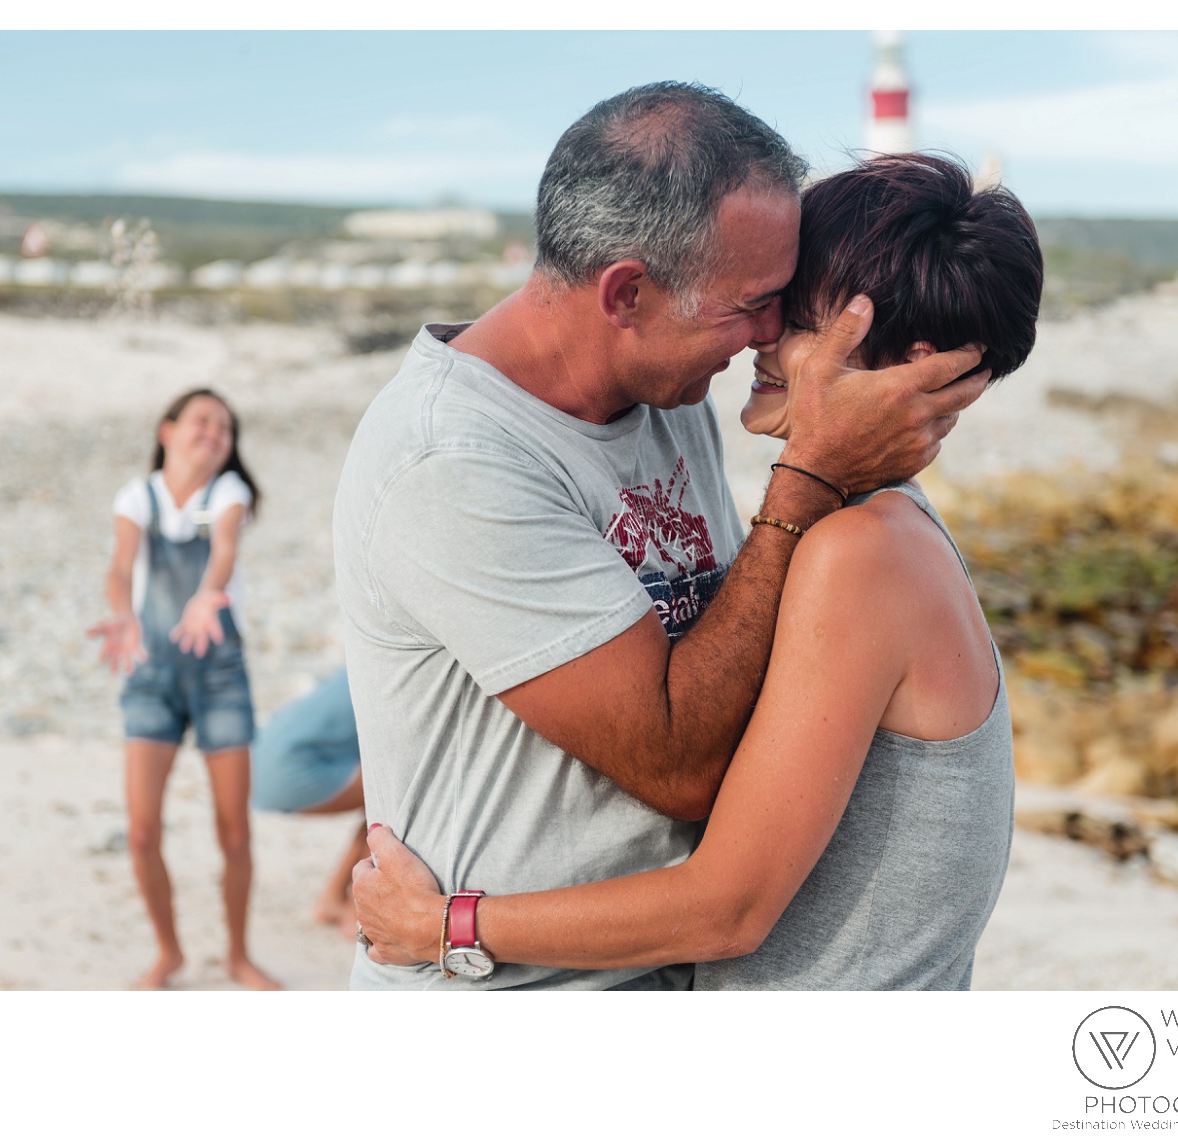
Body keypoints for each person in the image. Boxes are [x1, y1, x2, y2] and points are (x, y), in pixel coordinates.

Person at [333, 83, 990, 990]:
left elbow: (737, 654)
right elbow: (678, 761)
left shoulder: (663, 396)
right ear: (627, 293)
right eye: (754, 303)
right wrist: (808, 479)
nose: (766, 335)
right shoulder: (452, 458)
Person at [86, 388, 280, 990]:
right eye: (202, 420)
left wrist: (204, 595)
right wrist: (123, 613)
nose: (214, 432)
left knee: (235, 831)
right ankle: (167, 952)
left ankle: (238, 955)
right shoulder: (136, 497)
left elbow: (224, 548)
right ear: (167, 430)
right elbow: (121, 566)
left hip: (220, 673)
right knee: (142, 830)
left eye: (225, 427)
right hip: (152, 675)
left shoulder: (228, 493)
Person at [249, 668, 370, 933]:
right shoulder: (392, 670)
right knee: (397, 792)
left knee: (380, 797)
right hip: (290, 770)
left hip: (255, 765)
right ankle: (358, 914)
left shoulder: (358, 658)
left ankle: (333, 898)